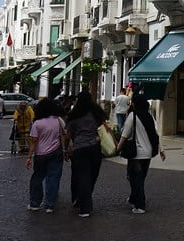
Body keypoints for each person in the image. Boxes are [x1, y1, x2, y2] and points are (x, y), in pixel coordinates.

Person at [115, 94, 165, 214]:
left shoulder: (133, 116)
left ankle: (140, 205)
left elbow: (124, 135)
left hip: (136, 154)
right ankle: (133, 198)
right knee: (140, 178)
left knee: (135, 179)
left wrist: (118, 148)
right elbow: (156, 134)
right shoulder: (149, 116)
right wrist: (161, 150)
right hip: (148, 154)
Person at [65, 90, 109, 218]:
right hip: (94, 147)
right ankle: (84, 199)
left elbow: (68, 134)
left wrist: (66, 148)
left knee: (82, 175)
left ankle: (83, 204)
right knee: (92, 175)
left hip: (79, 148)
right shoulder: (96, 113)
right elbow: (104, 128)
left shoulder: (75, 115)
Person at [26, 98, 68, 214]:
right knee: (53, 178)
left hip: (40, 153)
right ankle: (50, 204)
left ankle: (35, 203)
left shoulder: (37, 123)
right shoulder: (58, 120)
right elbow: (65, 134)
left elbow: (33, 142)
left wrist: (29, 157)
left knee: (37, 177)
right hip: (56, 151)